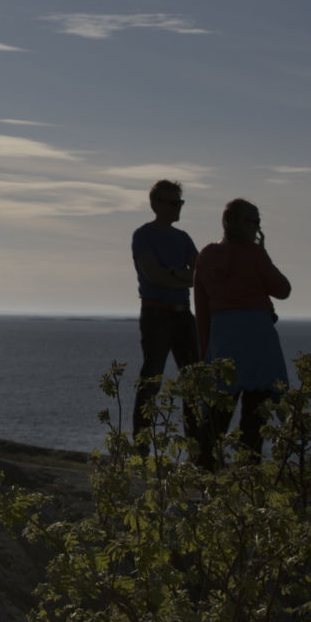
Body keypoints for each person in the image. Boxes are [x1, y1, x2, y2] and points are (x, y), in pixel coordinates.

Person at [192, 198, 292, 458]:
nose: (257, 227)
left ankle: (204, 466)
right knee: (255, 416)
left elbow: (201, 310)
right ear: (237, 223)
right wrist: (263, 255)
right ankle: (249, 470)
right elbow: (283, 289)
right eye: (253, 221)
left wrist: (205, 353)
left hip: (224, 340)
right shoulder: (254, 254)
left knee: (217, 413)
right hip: (259, 340)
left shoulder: (206, 256)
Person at [131, 178, 199, 439]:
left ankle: (196, 446)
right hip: (156, 313)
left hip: (183, 314)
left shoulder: (183, 238)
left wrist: (170, 272)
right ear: (156, 204)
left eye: (179, 202)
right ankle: (141, 446)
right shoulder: (143, 235)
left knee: (193, 380)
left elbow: (200, 275)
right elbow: (153, 275)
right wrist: (181, 275)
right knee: (152, 380)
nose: (177, 207)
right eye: (172, 203)